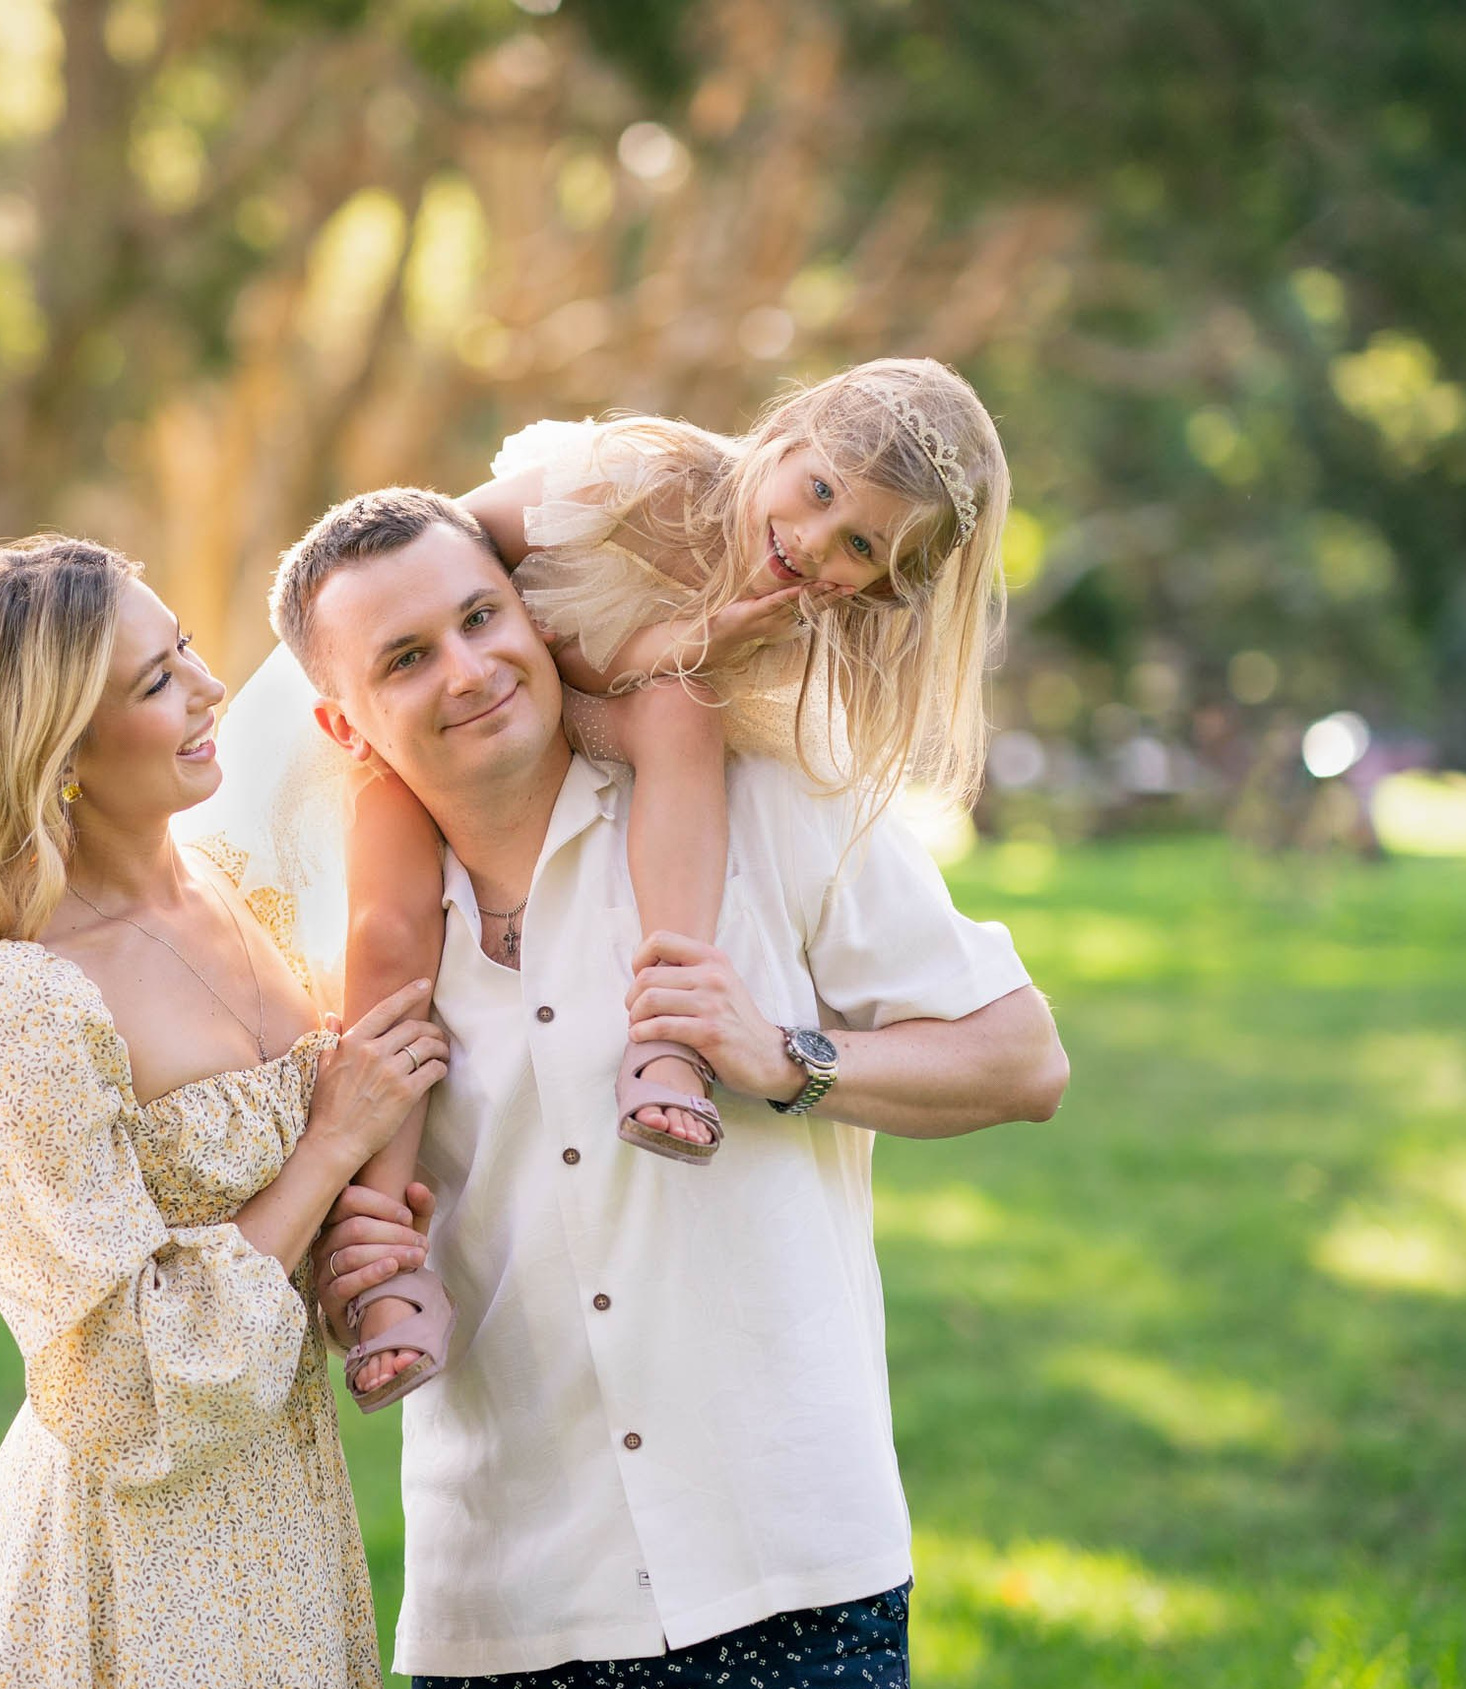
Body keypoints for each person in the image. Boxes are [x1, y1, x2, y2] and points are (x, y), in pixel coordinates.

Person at [255, 489, 1067, 1689]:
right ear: (344, 718)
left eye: (484, 616)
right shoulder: (337, 942)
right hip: (508, 1603)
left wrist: (788, 1057)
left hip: (786, 1567)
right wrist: (354, 1259)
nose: (471, 669)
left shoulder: (766, 801)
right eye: (408, 657)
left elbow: (1022, 1056)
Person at [0, 535, 446, 1689]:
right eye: (155, 683)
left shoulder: (238, 878)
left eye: (185, 646)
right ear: (59, 751)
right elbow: (117, 1385)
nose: (209, 689)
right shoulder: (10, 1002)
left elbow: (453, 546)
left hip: (286, 1522)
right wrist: (332, 1142)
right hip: (133, 1570)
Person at [335, 360, 1013, 1409]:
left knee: (684, 711)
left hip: (595, 715)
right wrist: (675, 641)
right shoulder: (644, 482)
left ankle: (667, 1028)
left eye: (863, 550)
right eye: (821, 494)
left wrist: (698, 650)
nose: (815, 546)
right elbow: (433, 573)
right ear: (785, 439)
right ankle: (382, 1262)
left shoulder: (797, 625)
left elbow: (656, 687)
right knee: (389, 940)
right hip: (468, 712)